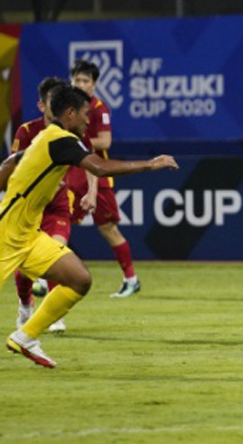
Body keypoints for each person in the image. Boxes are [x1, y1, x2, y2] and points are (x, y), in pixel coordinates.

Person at [2, 85, 178, 368]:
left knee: (79, 279)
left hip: (28, 237)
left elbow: (11, 163)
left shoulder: (47, 138)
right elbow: (100, 167)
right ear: (70, 114)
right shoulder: (60, 140)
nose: (89, 120)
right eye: (85, 114)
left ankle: (26, 336)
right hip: (5, 235)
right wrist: (150, 164)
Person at [12, 76, 90, 334]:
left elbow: (91, 162)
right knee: (25, 268)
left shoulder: (70, 133)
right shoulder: (27, 132)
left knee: (57, 251)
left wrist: (89, 191)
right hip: (29, 208)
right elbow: (13, 167)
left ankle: (51, 314)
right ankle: (25, 305)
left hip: (56, 205)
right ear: (43, 105)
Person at [69, 60, 139, 298]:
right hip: (72, 173)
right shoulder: (67, 107)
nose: (80, 84)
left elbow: (105, 142)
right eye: (77, 79)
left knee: (108, 229)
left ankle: (131, 279)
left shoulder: (99, 108)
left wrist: (77, 143)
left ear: (94, 85)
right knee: (55, 223)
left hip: (98, 175)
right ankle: (43, 279)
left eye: (85, 80)